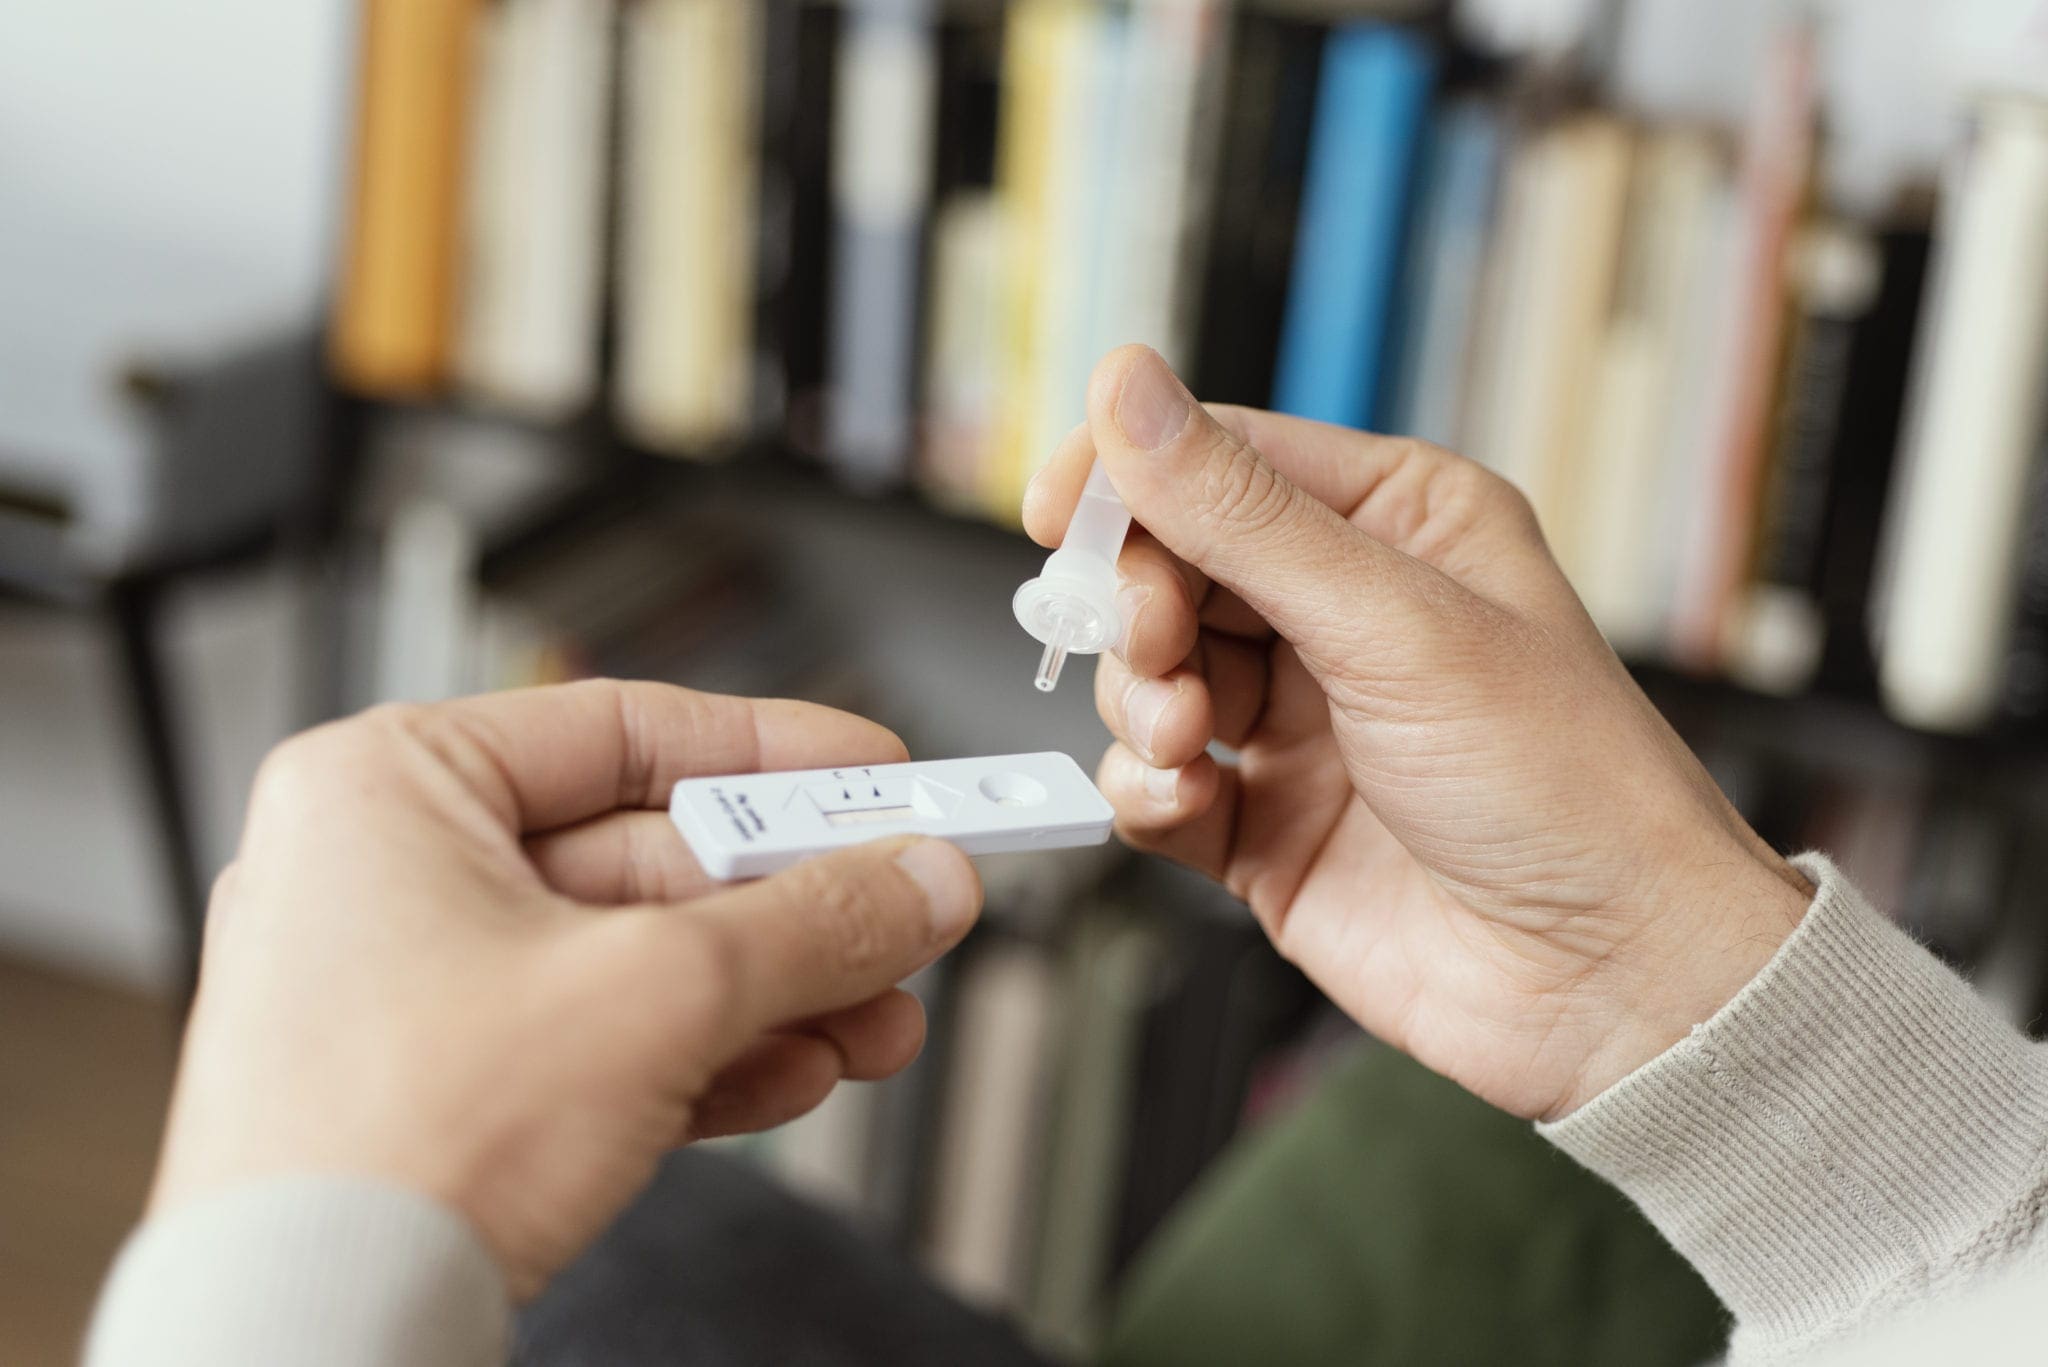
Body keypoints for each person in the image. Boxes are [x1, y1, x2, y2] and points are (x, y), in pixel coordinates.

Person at [87, 348, 2048, 1365]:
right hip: (1885, 1233)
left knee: (597, 1267)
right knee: (622, 1252)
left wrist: (284, 1260)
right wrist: (1670, 984)